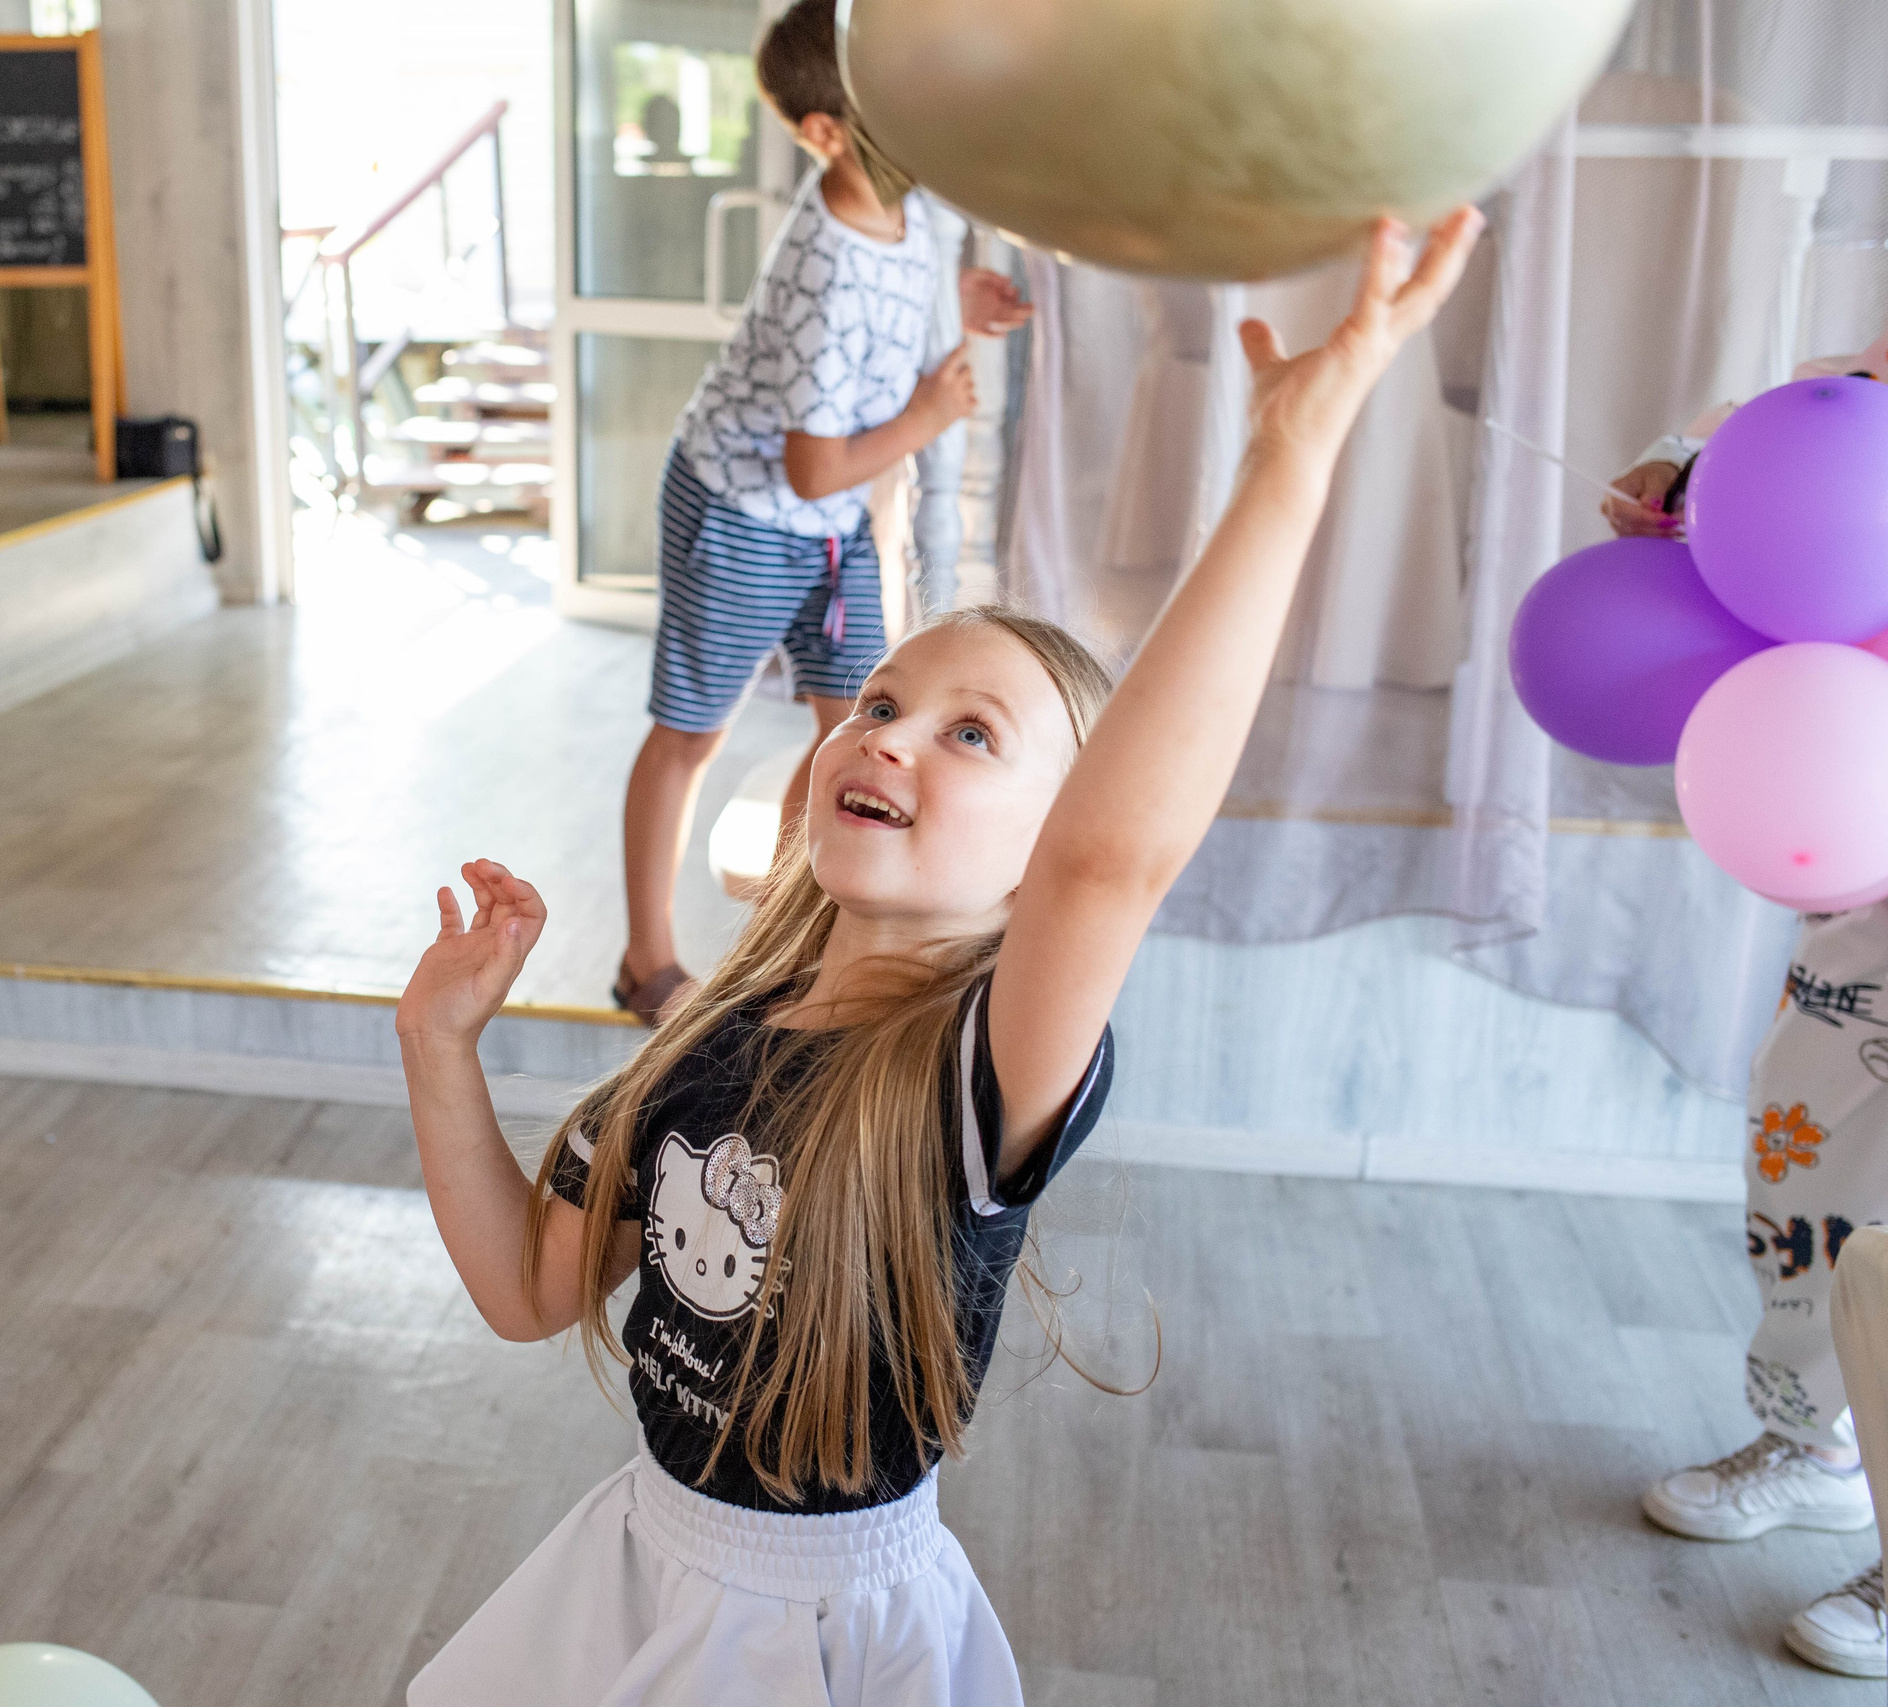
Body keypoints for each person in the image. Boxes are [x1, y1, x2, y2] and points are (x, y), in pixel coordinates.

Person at [397, 209, 1481, 1705]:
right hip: (636, 1561)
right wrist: (439, 1048)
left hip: (824, 1630)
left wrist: (1287, 454)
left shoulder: (985, 1064)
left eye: (974, 734)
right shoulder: (721, 1024)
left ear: (1049, 844)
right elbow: (527, 1288)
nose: (891, 731)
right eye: (884, 701)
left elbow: (1119, 853)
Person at [613, 0, 1032, 1025]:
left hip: (836, 520)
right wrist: (932, 408)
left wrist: (957, 300)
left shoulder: (911, 204)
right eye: (889, 102)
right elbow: (808, 468)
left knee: (846, 722)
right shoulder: (822, 266)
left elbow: (915, 284)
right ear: (823, 133)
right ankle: (645, 960)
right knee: (690, 733)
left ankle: (789, 939)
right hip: (748, 510)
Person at [1607, 343, 1888, 1679]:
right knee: (1808, 1157)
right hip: (1862, 849)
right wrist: (1682, 479)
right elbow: (1770, 454)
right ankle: (1816, 1435)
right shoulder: (1856, 382)